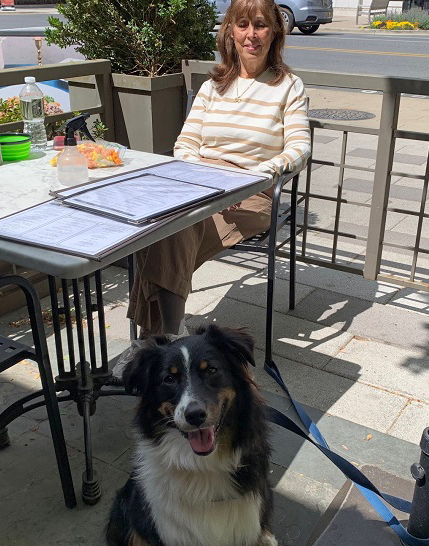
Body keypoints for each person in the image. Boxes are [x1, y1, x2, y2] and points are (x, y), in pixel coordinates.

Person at [124, 0, 311, 348]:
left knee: (170, 230)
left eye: (260, 24)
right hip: (202, 183)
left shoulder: (288, 87)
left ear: (275, 32)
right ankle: (167, 338)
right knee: (161, 222)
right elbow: (186, 143)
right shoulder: (213, 86)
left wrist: (250, 179)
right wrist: (203, 182)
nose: (251, 35)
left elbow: (299, 149)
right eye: (242, 25)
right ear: (230, 31)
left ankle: (152, 343)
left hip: (253, 191)